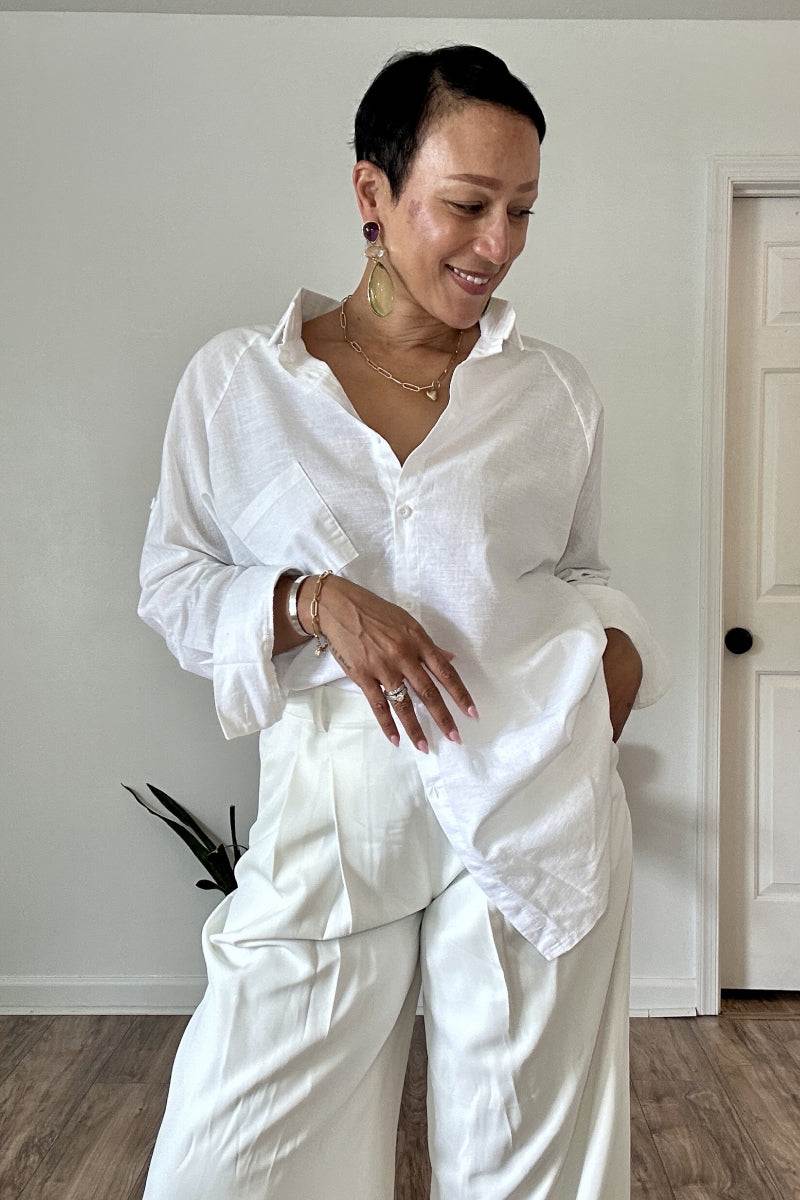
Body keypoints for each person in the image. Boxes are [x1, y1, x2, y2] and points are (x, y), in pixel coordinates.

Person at [137, 43, 671, 1200]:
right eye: (467, 205)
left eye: (521, 210)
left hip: (528, 798)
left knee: (527, 1175)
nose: (498, 245)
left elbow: (575, 573)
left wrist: (616, 652)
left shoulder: (552, 393)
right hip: (333, 818)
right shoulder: (239, 385)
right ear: (371, 193)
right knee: (224, 1167)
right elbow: (173, 585)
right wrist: (311, 599)